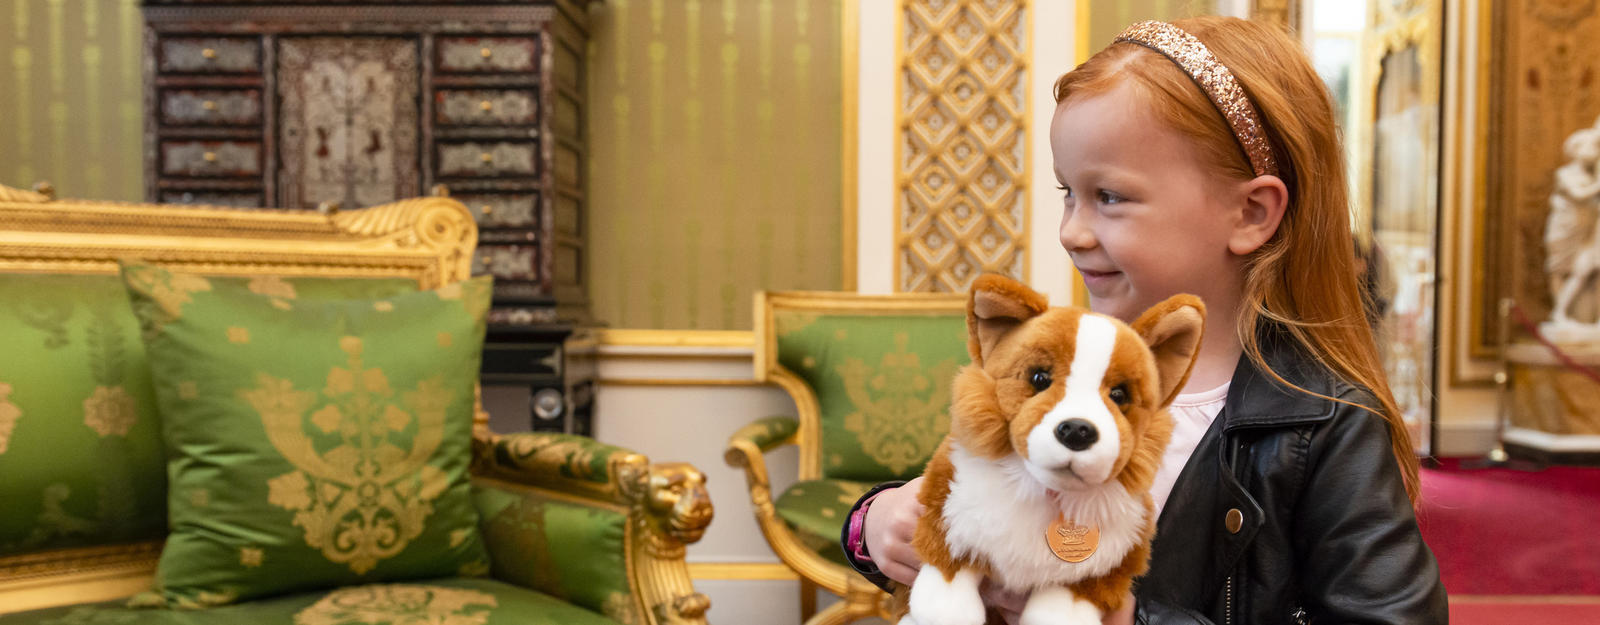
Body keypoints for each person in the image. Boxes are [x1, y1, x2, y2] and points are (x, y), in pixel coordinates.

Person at [839, 16, 1448, 625]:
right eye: (1067, 194)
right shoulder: (1060, 363)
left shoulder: (1326, 424)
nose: (1071, 232)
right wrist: (880, 523)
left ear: (1250, 213)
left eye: (1109, 197)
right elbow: (964, 492)